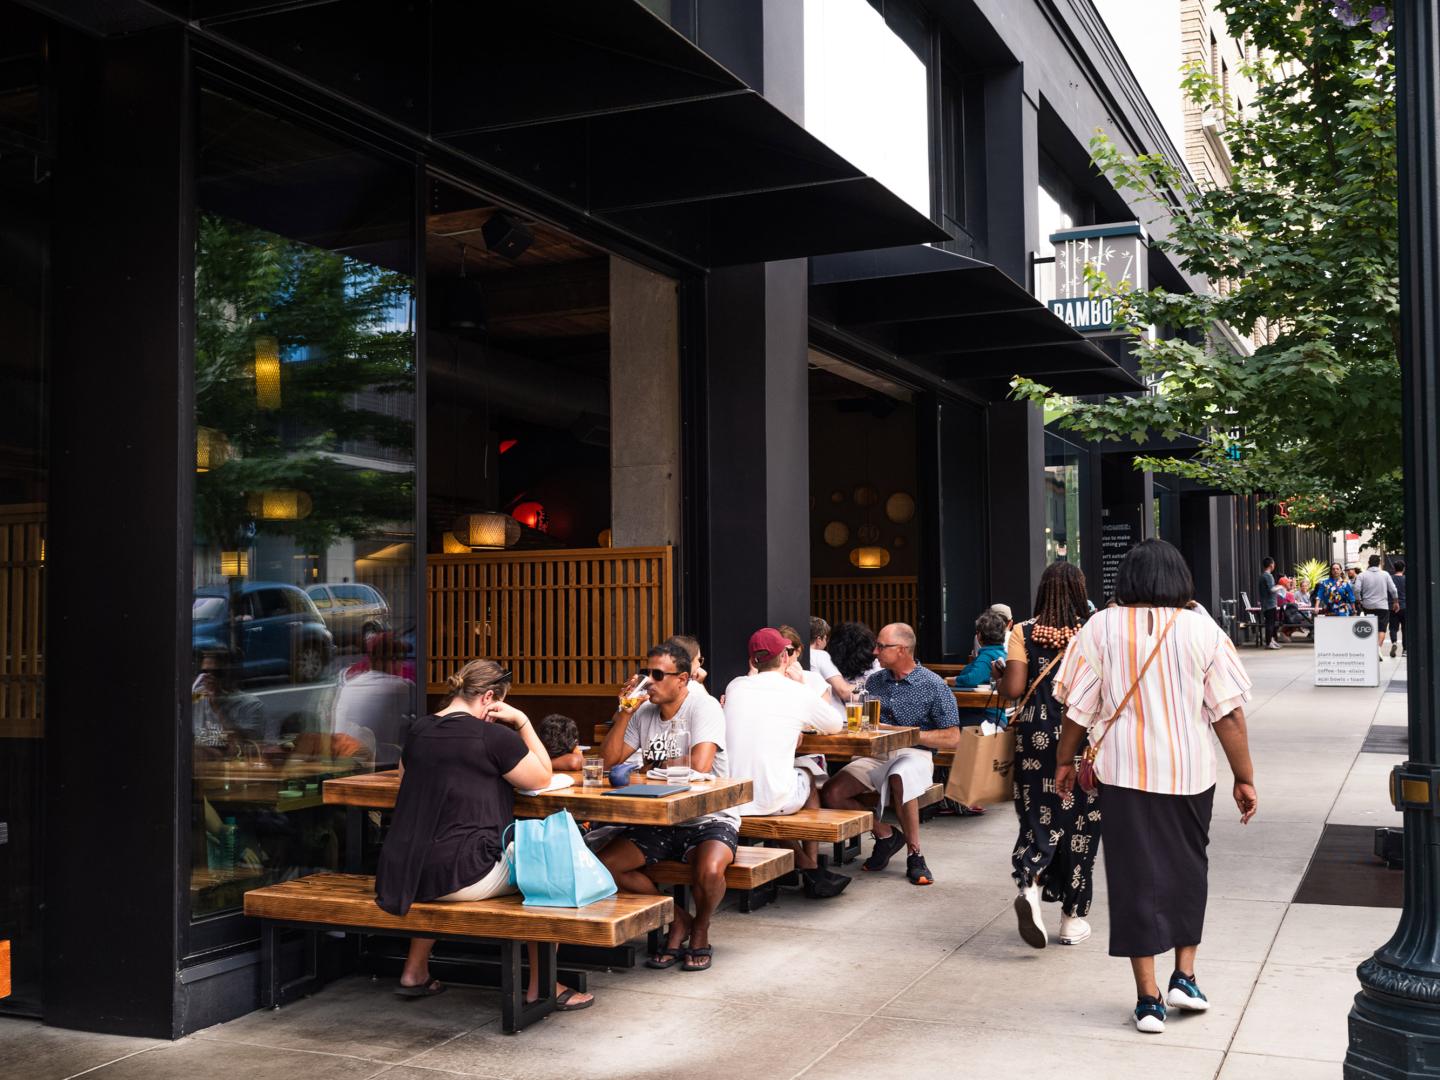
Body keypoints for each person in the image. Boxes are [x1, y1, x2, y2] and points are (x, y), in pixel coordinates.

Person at [1052, 539, 1256, 1035]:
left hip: (1123, 774)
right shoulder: (1203, 628)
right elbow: (1227, 712)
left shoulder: (1099, 627)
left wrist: (1064, 761)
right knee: (1189, 868)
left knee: (1133, 878)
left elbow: (1077, 707)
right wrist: (1244, 776)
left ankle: (1148, 1000)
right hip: (1189, 772)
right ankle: (1185, 976)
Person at [375, 660, 593, 1011]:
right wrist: (521, 721)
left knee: (441, 849)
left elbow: (405, 774)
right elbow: (540, 777)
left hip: (405, 871)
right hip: (463, 874)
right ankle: (542, 986)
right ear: (490, 698)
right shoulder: (494, 737)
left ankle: (414, 971)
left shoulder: (419, 730)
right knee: (551, 870)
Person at [597, 641, 734, 972]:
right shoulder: (642, 712)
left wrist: (647, 771)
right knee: (605, 866)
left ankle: (700, 928)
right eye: (646, 673)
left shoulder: (703, 707)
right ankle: (677, 918)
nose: (649, 682)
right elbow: (606, 762)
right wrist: (625, 710)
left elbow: (700, 766)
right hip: (658, 818)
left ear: (683, 679)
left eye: (658, 675)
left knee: (711, 871)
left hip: (707, 815)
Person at [990, 561, 1099, 948]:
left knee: (1038, 815)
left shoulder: (1024, 630)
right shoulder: (1093, 629)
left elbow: (1015, 688)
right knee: (1081, 824)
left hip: (1036, 737)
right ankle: (1071, 920)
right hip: (1084, 736)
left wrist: (1000, 677)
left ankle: (1030, 887)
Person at [821, 622, 959, 886]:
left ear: (902, 650)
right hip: (876, 753)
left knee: (899, 775)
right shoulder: (875, 681)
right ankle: (886, 835)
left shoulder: (933, 685)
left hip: (914, 754)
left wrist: (903, 733)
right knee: (831, 793)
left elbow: (953, 738)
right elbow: (867, 724)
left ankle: (915, 854)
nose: (875, 651)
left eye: (882, 646)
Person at [723, 627, 850, 899]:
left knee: (773, 787)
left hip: (731, 799)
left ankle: (804, 866)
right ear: (784, 657)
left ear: (753, 661)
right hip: (770, 800)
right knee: (806, 773)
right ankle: (813, 867)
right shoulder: (797, 692)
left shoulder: (736, 686)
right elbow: (834, 724)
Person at [333, 631, 414, 766]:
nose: (402, 664)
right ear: (392, 661)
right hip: (373, 763)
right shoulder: (401, 687)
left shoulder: (350, 685)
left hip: (343, 759)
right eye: (401, 659)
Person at [950, 609, 1009, 728]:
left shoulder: (985, 657)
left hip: (986, 718)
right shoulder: (1003, 654)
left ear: (979, 635)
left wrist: (952, 680)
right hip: (996, 717)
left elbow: (972, 679)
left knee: (943, 725)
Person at [808, 616, 856, 721]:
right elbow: (843, 690)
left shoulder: (791, 656)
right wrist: (864, 686)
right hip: (834, 719)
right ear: (819, 639)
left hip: (810, 719)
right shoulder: (819, 655)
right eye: (826, 638)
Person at [1353, 554, 1400, 655]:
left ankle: (1371, 649)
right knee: (1382, 628)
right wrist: (1396, 602)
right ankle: (1378, 648)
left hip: (1367, 606)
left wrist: (1359, 600)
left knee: (1370, 628)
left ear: (1369, 563)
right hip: (1382, 606)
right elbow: (1393, 590)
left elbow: (1356, 589)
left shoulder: (1362, 575)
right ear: (1379, 563)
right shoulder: (1385, 574)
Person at [1258, 556, 1281, 650]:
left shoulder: (1262, 576)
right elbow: (1272, 589)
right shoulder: (1268, 576)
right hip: (1270, 604)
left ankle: (1271, 640)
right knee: (1270, 623)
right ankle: (1269, 642)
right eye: (1274, 564)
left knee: (1271, 623)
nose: (1274, 565)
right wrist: (1281, 586)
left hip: (1266, 603)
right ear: (1271, 565)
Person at [1390, 559, 1407, 657]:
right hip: (1405, 606)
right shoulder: (1406, 579)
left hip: (1393, 606)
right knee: (1405, 629)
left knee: (1393, 627)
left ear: (1393, 568)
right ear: (1403, 569)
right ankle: (1405, 650)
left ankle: (1394, 642)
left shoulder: (1390, 578)